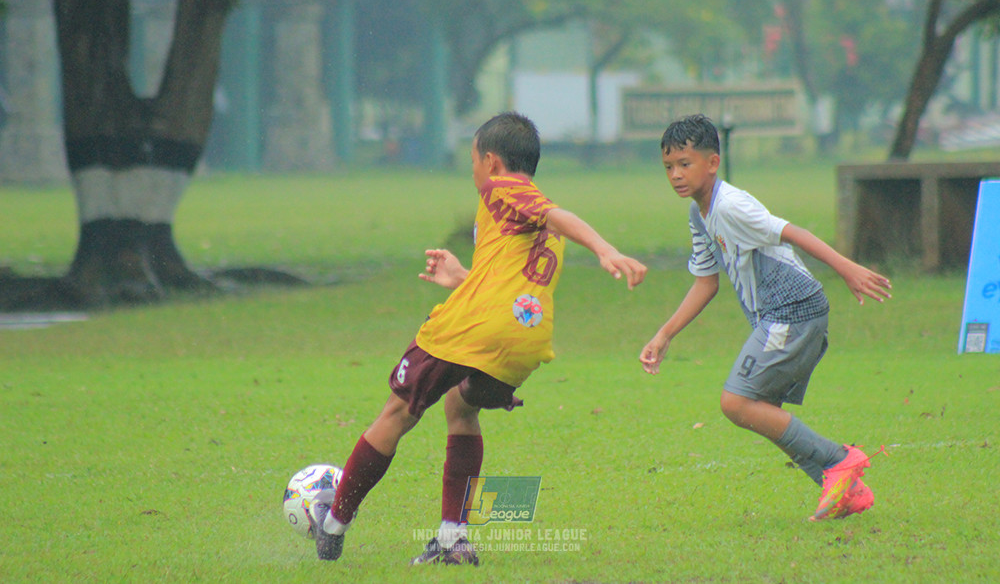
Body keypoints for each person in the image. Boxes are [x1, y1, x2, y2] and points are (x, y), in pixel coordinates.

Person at [310, 111, 647, 565]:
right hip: (524, 342)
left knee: (397, 411)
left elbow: (558, 215)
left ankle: (332, 523)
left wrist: (606, 250)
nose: (473, 172)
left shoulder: (503, 189)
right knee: (460, 406)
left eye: (472, 161)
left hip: (473, 328)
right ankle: (453, 539)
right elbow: (512, 280)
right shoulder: (529, 218)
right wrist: (463, 279)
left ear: (491, 162)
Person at [639, 114, 891, 521]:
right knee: (762, 409)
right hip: (778, 316)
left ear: (713, 163)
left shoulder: (731, 205)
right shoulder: (698, 215)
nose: (676, 175)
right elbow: (706, 283)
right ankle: (849, 491)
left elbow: (791, 232)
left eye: (685, 164)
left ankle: (839, 461)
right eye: (668, 166)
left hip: (793, 309)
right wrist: (664, 334)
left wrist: (846, 268)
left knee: (736, 402)